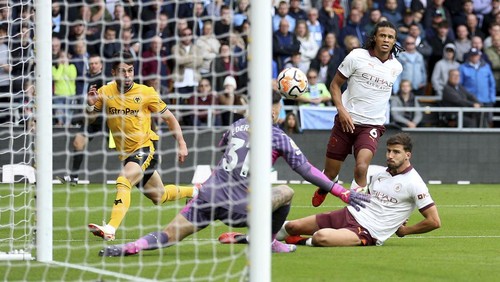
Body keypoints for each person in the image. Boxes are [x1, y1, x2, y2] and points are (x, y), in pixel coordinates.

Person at [97, 91, 370, 257]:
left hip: (208, 195)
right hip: (240, 206)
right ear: (274, 111)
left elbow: (224, 148)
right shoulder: (278, 136)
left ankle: (129, 247)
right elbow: (306, 170)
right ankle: (269, 242)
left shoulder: (237, 124)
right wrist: (341, 191)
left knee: (168, 235)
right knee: (285, 193)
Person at [85, 51, 197, 241]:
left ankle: (111, 228)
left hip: (144, 148)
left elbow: (169, 118)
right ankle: (196, 191)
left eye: (130, 70)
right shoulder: (104, 92)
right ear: (114, 73)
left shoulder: (146, 93)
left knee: (123, 181)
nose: (127, 75)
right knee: (159, 196)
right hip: (126, 154)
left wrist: (182, 143)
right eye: (122, 71)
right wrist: (90, 105)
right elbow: (91, 120)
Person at [274, 133, 441, 247]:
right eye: (388, 151)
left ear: (408, 155)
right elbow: (369, 199)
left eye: (396, 152)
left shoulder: (415, 183)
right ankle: (253, 238)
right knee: (294, 226)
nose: (390, 155)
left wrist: (405, 230)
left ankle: (296, 242)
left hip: (368, 232)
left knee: (321, 237)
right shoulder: (380, 174)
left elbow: (434, 221)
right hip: (349, 214)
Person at [311, 21, 403, 207]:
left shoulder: (396, 67)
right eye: (382, 35)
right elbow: (335, 85)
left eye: (390, 37)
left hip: (371, 125)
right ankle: (327, 185)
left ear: (394, 41)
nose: (386, 40)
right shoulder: (356, 56)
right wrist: (342, 111)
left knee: (361, 167)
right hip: (346, 121)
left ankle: (357, 210)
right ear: (374, 38)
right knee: (328, 174)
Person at [57, 55, 106, 185]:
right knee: (77, 143)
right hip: (92, 120)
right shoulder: (89, 80)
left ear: (101, 65)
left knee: (121, 149)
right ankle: (74, 177)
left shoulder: (104, 80)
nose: (93, 65)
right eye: (91, 63)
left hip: (107, 120)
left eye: (96, 63)